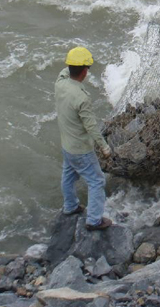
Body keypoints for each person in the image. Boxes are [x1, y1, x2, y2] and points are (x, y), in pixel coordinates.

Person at [55, 46, 113, 230]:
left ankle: (70, 206)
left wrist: (75, 61)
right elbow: (91, 127)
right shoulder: (81, 97)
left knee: (68, 175)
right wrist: (104, 147)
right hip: (81, 149)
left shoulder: (60, 83)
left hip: (66, 145)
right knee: (97, 181)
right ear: (85, 71)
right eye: (87, 67)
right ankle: (94, 220)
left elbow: (66, 70)